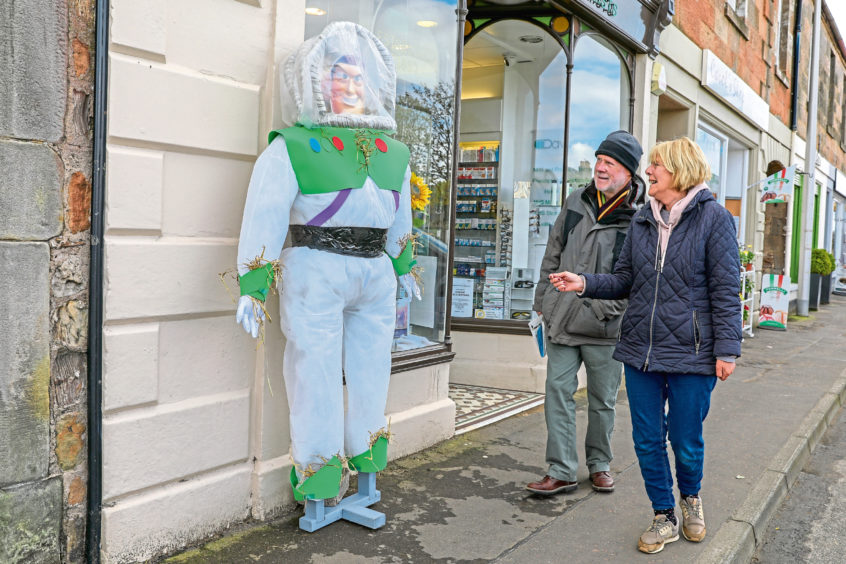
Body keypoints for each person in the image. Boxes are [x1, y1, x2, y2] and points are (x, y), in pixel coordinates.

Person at [234, 22, 420, 508]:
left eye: (359, 78)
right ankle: (317, 477)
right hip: (315, 267)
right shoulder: (291, 147)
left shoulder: (393, 153)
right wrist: (254, 284)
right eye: (341, 76)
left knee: (372, 369)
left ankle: (366, 463)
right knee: (313, 373)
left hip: (374, 273)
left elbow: (401, 215)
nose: (352, 86)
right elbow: (265, 213)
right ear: (317, 82)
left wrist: (404, 268)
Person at [550, 136, 741, 554]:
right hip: (640, 350)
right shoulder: (641, 220)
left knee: (686, 440)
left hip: (693, 353)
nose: (648, 172)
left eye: (656, 166)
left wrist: (727, 349)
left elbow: (727, 290)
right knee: (647, 439)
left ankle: (691, 499)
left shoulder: (715, 220)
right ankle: (664, 514)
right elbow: (624, 280)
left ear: (679, 171)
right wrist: (583, 282)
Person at [527, 130, 645, 497]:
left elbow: (635, 278)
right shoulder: (576, 200)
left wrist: (605, 307)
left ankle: (599, 465)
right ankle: (561, 469)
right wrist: (542, 301)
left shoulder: (638, 218)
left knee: (602, 401)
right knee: (557, 393)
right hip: (562, 317)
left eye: (609, 163)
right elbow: (553, 250)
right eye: (599, 160)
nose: (600, 168)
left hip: (605, 324)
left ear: (627, 172)